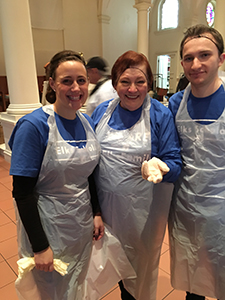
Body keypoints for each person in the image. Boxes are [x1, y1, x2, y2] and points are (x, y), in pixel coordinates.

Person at [9, 50, 104, 300]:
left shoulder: (87, 122)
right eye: (67, 81)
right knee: (50, 292)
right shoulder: (34, 126)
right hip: (48, 227)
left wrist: (95, 212)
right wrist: (40, 247)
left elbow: (89, 174)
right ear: (52, 83)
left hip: (79, 225)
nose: (76, 88)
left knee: (75, 286)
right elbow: (22, 193)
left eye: (81, 80)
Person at [91, 50, 182, 300]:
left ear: (149, 84)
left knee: (139, 275)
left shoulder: (159, 116)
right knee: (113, 269)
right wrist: (94, 210)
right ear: (115, 84)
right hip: (106, 214)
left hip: (142, 218)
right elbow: (88, 160)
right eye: (125, 82)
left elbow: (175, 163)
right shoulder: (101, 113)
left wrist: (161, 168)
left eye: (140, 82)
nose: (133, 89)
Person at [168, 24, 225, 300]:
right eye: (189, 58)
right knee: (194, 279)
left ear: (221, 59)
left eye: (205, 55)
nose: (196, 64)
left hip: (223, 209)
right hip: (186, 209)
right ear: (182, 63)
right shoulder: (175, 103)